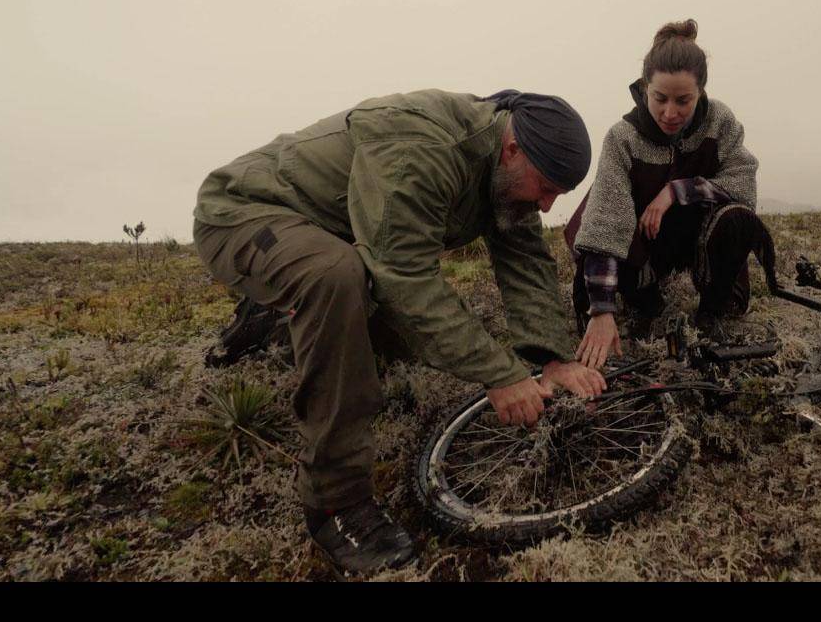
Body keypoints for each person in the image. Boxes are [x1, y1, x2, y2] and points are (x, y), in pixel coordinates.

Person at [192, 88, 607, 576]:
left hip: (334, 231)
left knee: (389, 340)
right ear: (513, 149)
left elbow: (525, 261)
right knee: (335, 277)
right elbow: (402, 274)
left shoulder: (507, 162)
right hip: (243, 212)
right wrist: (501, 374)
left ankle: (272, 320)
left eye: (558, 194)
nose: (546, 203)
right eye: (545, 187)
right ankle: (335, 503)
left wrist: (551, 359)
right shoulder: (424, 148)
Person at [565, 20, 772, 370]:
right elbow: (603, 224)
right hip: (642, 243)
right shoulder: (622, 138)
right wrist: (601, 309)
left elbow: (743, 187)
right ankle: (641, 294)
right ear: (645, 87)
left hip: (693, 230)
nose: (670, 113)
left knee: (736, 217)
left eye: (684, 101)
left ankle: (713, 306)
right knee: (607, 245)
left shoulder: (720, 122)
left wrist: (678, 190)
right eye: (660, 99)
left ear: (701, 92)